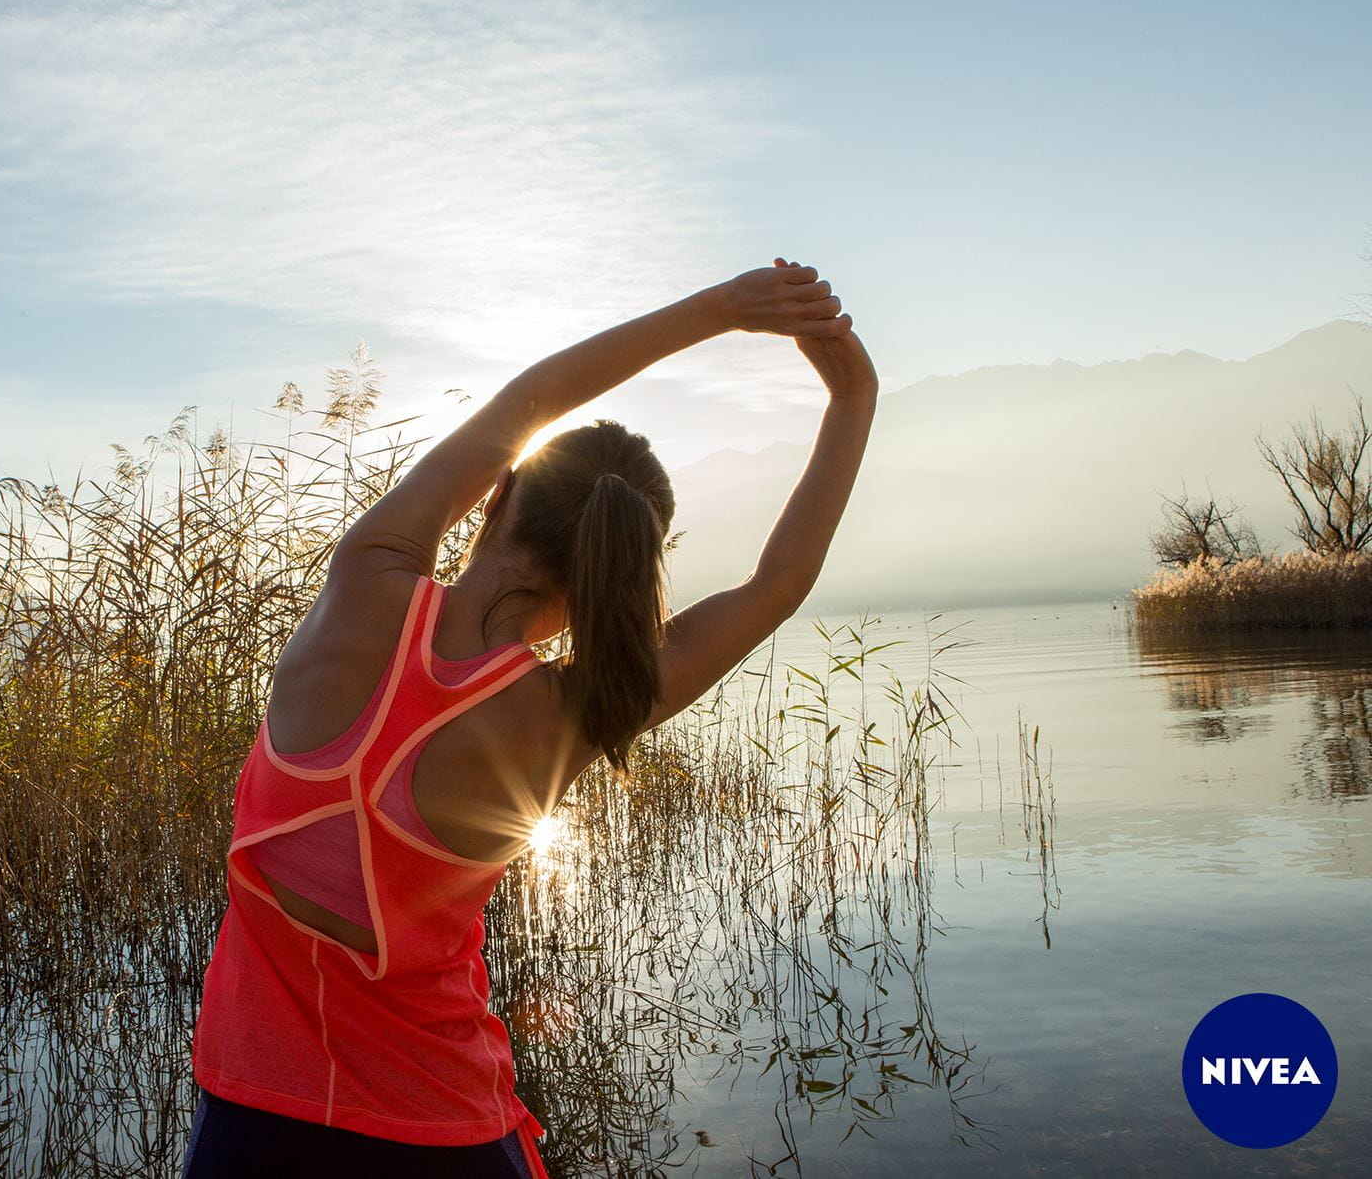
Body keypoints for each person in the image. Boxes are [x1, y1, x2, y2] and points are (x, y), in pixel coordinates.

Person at [184, 259, 878, 1177]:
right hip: (441, 1128)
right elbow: (778, 585)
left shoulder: (365, 578)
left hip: (250, 1116)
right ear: (618, 573)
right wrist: (854, 397)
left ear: (500, 496)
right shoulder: (577, 714)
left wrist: (718, 310)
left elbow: (529, 398)